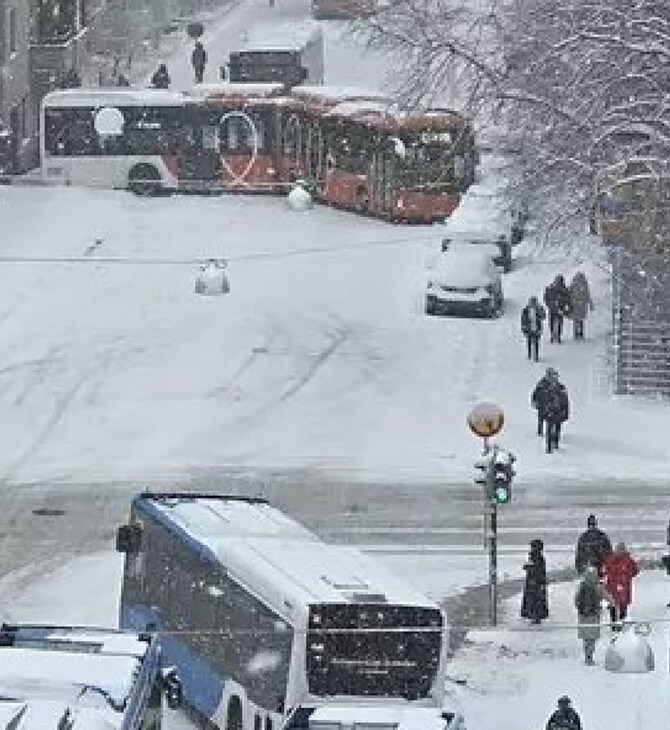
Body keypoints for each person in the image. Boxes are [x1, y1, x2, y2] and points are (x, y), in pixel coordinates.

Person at [575, 566, 612, 665]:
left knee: (586, 638)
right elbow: (609, 599)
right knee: (592, 638)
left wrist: (581, 609)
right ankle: (590, 656)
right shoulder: (598, 587)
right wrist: (609, 604)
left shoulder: (581, 586)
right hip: (594, 615)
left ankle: (587, 655)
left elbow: (576, 600)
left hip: (583, 616)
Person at [602, 541, 639, 629]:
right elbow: (635, 571)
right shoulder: (629, 560)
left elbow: (604, 571)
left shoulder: (610, 559)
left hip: (613, 587)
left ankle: (614, 626)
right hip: (623, 587)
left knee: (613, 607)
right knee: (623, 607)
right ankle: (621, 626)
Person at [521, 538, 548, 624]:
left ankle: (534, 616)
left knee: (534, 600)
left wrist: (528, 567)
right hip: (537, 582)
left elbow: (536, 569)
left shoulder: (535, 557)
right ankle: (536, 616)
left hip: (533, 582)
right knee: (537, 600)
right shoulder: (538, 557)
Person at [544, 274, 571, 343]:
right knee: (557, 322)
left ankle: (554, 335)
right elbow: (567, 298)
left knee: (554, 322)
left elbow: (546, 297)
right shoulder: (562, 288)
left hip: (554, 307)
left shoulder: (551, 287)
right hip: (557, 307)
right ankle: (556, 336)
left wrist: (549, 304)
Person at [568, 271, 593, 340]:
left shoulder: (574, 284)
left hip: (576, 304)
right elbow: (587, 294)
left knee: (577, 320)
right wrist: (590, 303)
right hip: (579, 304)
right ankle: (579, 333)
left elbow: (569, 293)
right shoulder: (583, 284)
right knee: (579, 320)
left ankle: (577, 333)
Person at [520, 295, 546, 361]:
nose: (533, 304)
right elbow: (523, 319)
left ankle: (536, 356)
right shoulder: (526, 310)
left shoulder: (539, 309)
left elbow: (543, 317)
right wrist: (524, 328)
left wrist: (541, 312)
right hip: (528, 328)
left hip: (537, 327)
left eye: (534, 302)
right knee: (529, 341)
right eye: (532, 302)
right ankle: (529, 354)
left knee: (536, 342)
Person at [531, 367, 553, 436]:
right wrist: (534, 401)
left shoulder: (554, 384)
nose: (550, 376)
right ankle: (540, 431)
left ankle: (549, 433)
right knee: (541, 419)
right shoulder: (541, 383)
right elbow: (535, 393)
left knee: (550, 420)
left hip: (550, 405)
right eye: (549, 374)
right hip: (541, 404)